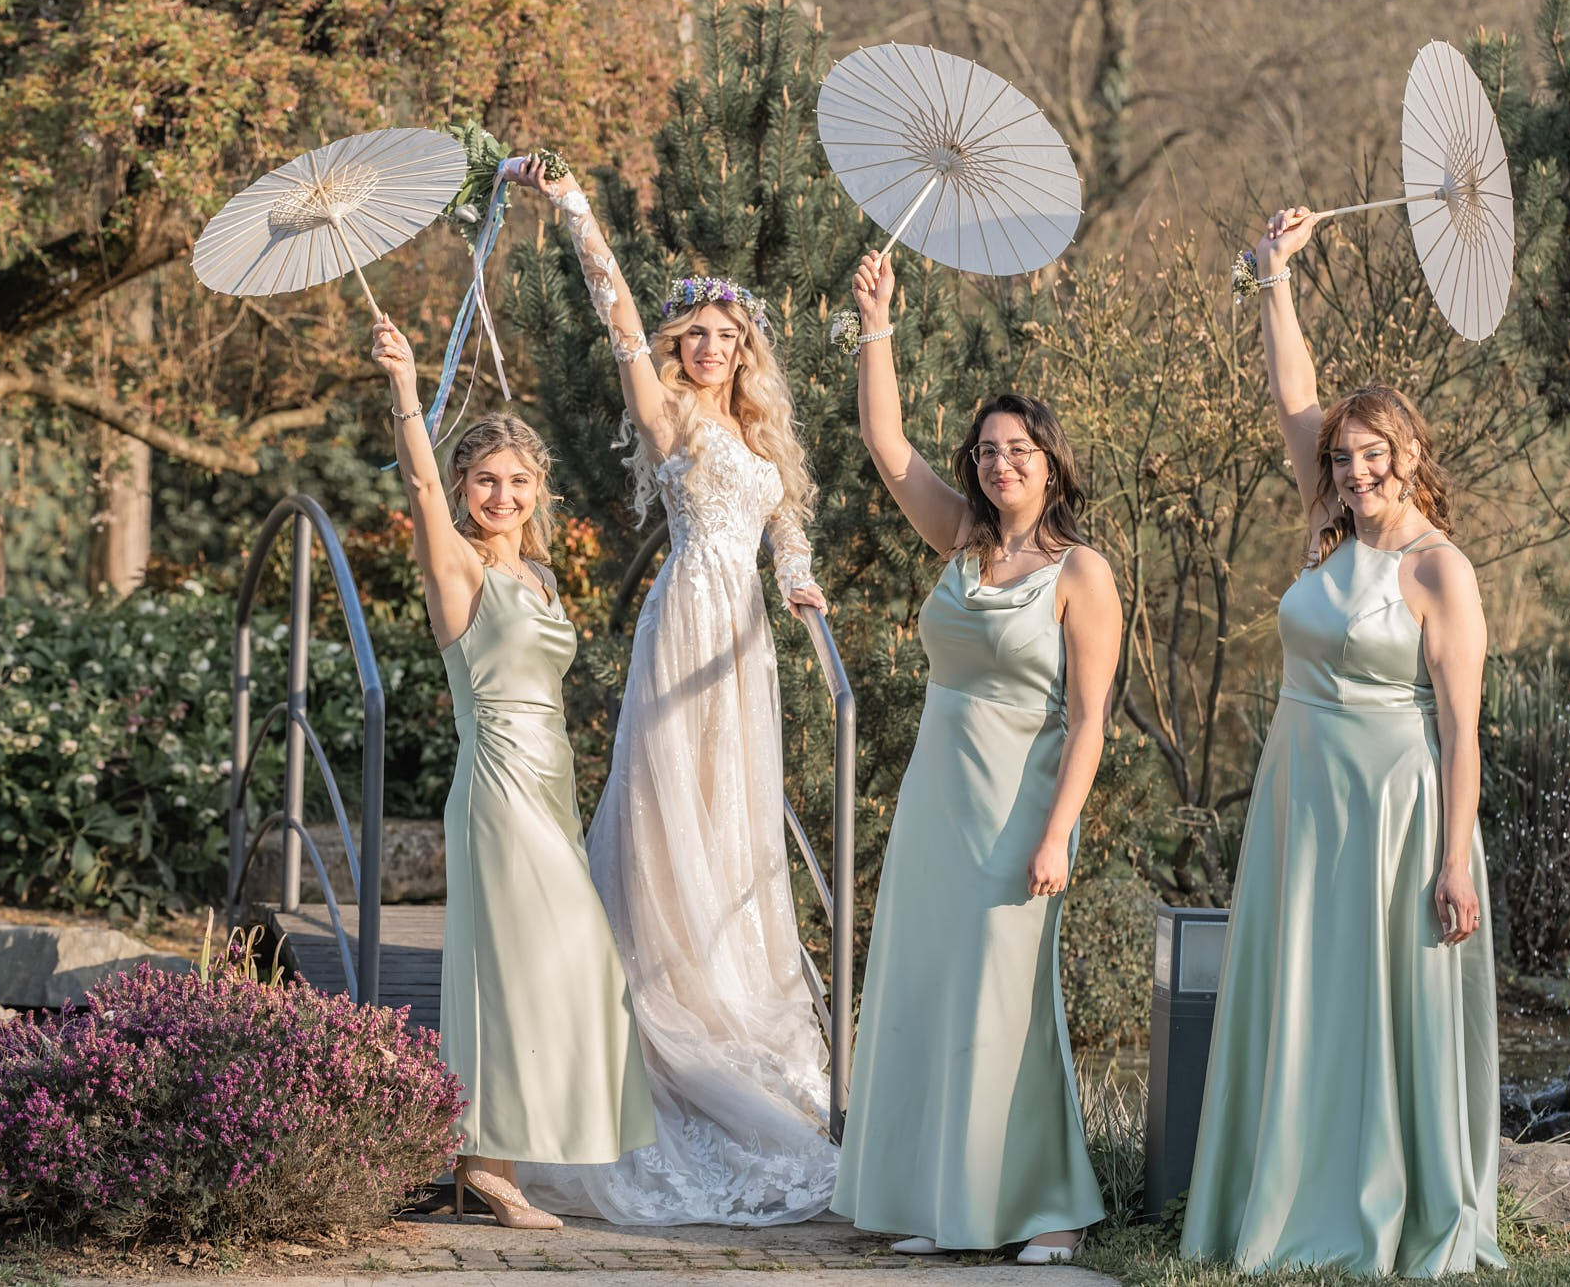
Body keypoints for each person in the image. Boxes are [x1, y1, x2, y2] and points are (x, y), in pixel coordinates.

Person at [504, 160, 839, 1225]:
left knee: (733, 828)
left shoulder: (756, 435)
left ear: (745, 350)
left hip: (744, 639)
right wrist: (577, 214)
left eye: (724, 337)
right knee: (666, 827)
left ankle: (738, 1008)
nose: (708, 348)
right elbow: (612, 324)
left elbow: (782, 523)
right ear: (678, 343)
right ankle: (660, 1023)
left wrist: (796, 581)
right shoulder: (669, 419)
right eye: (694, 333)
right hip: (684, 620)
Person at [1178, 208, 1501, 1277]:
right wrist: (1274, 279)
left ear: (1409, 454)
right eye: (1345, 457)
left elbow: (1461, 733)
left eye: (1374, 455)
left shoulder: (1437, 571)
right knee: (1299, 995)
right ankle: (1284, 1189)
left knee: (1378, 1005)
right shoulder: (1326, 521)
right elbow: (1290, 397)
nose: (1356, 470)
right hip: (1298, 794)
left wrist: (1452, 860)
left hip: (1397, 807)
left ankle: (1383, 1203)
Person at [830, 250, 1117, 1263]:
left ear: (1050, 464)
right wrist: (876, 319)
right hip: (933, 806)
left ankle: (1048, 1212)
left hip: (1019, 811)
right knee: (925, 989)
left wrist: (1056, 836)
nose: (1000, 464)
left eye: (1017, 450)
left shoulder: (1081, 573)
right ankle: (942, 1203)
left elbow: (1088, 719)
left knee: (1006, 1004)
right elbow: (882, 439)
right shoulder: (956, 540)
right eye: (988, 450)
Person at [370, 320, 655, 1231]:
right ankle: (487, 1165)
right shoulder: (454, 568)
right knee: (524, 963)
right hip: (495, 782)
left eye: (517, 481)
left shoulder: (536, 574)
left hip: (550, 784)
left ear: (538, 493)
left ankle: (487, 1156)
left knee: (561, 964)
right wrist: (409, 389)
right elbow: (415, 480)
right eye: (484, 479)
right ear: (463, 486)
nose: (500, 492)